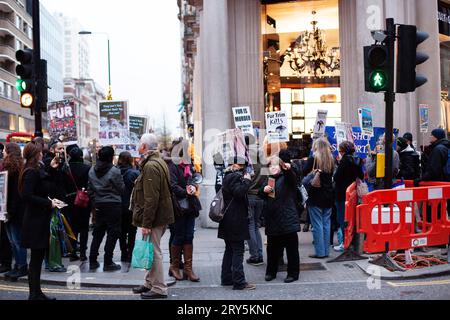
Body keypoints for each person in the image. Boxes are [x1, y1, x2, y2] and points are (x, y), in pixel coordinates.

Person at [131, 134, 175, 300]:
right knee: (150, 250)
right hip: (159, 215)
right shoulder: (157, 161)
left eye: (139, 143)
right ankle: (149, 283)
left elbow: (151, 198)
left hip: (154, 218)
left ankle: (159, 288)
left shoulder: (150, 166)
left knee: (155, 252)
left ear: (144, 146)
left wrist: (147, 223)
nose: (137, 146)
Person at [20, 142, 59, 300]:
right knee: (36, 260)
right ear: (36, 155)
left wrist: (50, 168)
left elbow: (43, 185)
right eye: (40, 152)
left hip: (39, 219)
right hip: (35, 221)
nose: (42, 154)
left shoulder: (37, 169)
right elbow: (27, 195)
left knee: (37, 259)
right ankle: (34, 294)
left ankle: (37, 293)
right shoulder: (31, 172)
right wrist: (48, 203)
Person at [259, 156, 300, 283]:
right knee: (272, 249)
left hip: (287, 218)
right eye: (271, 166)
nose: (273, 168)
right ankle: (271, 272)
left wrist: (288, 170)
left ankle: (293, 273)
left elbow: (293, 179)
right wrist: (263, 190)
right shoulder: (268, 179)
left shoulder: (286, 177)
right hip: (273, 219)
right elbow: (262, 195)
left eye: (276, 165)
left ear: (281, 166)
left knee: (291, 249)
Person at [218, 157, 255, 291]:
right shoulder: (234, 176)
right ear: (237, 165)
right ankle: (239, 282)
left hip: (229, 219)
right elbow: (239, 193)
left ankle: (227, 278)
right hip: (235, 219)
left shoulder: (228, 176)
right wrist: (246, 180)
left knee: (230, 249)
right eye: (243, 165)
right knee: (238, 250)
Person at [168, 138, 201, 282]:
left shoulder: (189, 165)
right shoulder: (172, 166)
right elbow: (173, 186)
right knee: (179, 235)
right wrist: (186, 191)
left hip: (190, 206)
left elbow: (194, 178)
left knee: (189, 236)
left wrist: (193, 186)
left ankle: (188, 268)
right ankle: (174, 266)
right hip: (178, 207)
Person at [88, 146, 125, 272]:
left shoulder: (92, 170)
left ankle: (92, 260)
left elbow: (90, 190)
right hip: (113, 205)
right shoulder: (114, 171)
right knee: (113, 233)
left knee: (97, 233)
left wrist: (95, 201)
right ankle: (108, 262)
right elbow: (121, 189)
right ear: (111, 157)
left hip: (99, 204)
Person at [302, 138, 335, 259]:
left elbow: (303, 172)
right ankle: (326, 251)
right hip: (328, 194)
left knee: (317, 224)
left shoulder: (314, 159)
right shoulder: (331, 160)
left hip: (315, 194)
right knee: (326, 223)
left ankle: (320, 252)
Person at [1, 143, 28, 280]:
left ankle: (22, 266)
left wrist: (9, 211)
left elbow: (14, 195)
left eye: (5, 151)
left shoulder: (14, 170)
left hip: (14, 211)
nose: (3, 153)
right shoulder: (12, 168)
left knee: (16, 240)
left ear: (9, 152)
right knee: (13, 240)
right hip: (11, 210)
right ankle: (18, 265)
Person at [333, 141, 364, 252]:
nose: (339, 153)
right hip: (353, 193)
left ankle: (344, 242)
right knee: (353, 219)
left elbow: (336, 177)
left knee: (343, 219)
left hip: (342, 194)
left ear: (344, 151)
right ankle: (352, 242)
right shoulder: (357, 160)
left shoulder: (344, 161)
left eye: (340, 150)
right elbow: (361, 175)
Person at [64, 146, 91, 262]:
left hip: (70, 201)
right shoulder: (87, 168)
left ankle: (73, 252)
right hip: (84, 200)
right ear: (81, 157)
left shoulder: (66, 169)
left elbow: (62, 185)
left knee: (72, 227)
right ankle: (83, 253)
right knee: (84, 227)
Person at [118, 151, 140, 263]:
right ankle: (130, 253)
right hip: (132, 206)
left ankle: (123, 253)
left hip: (118, 206)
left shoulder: (115, 172)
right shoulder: (135, 173)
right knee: (132, 231)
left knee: (121, 231)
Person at [246, 160, 266, 267]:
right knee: (255, 226)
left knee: (250, 225)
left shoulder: (249, 164)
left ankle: (255, 256)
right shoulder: (264, 163)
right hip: (260, 196)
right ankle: (259, 254)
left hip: (250, 196)